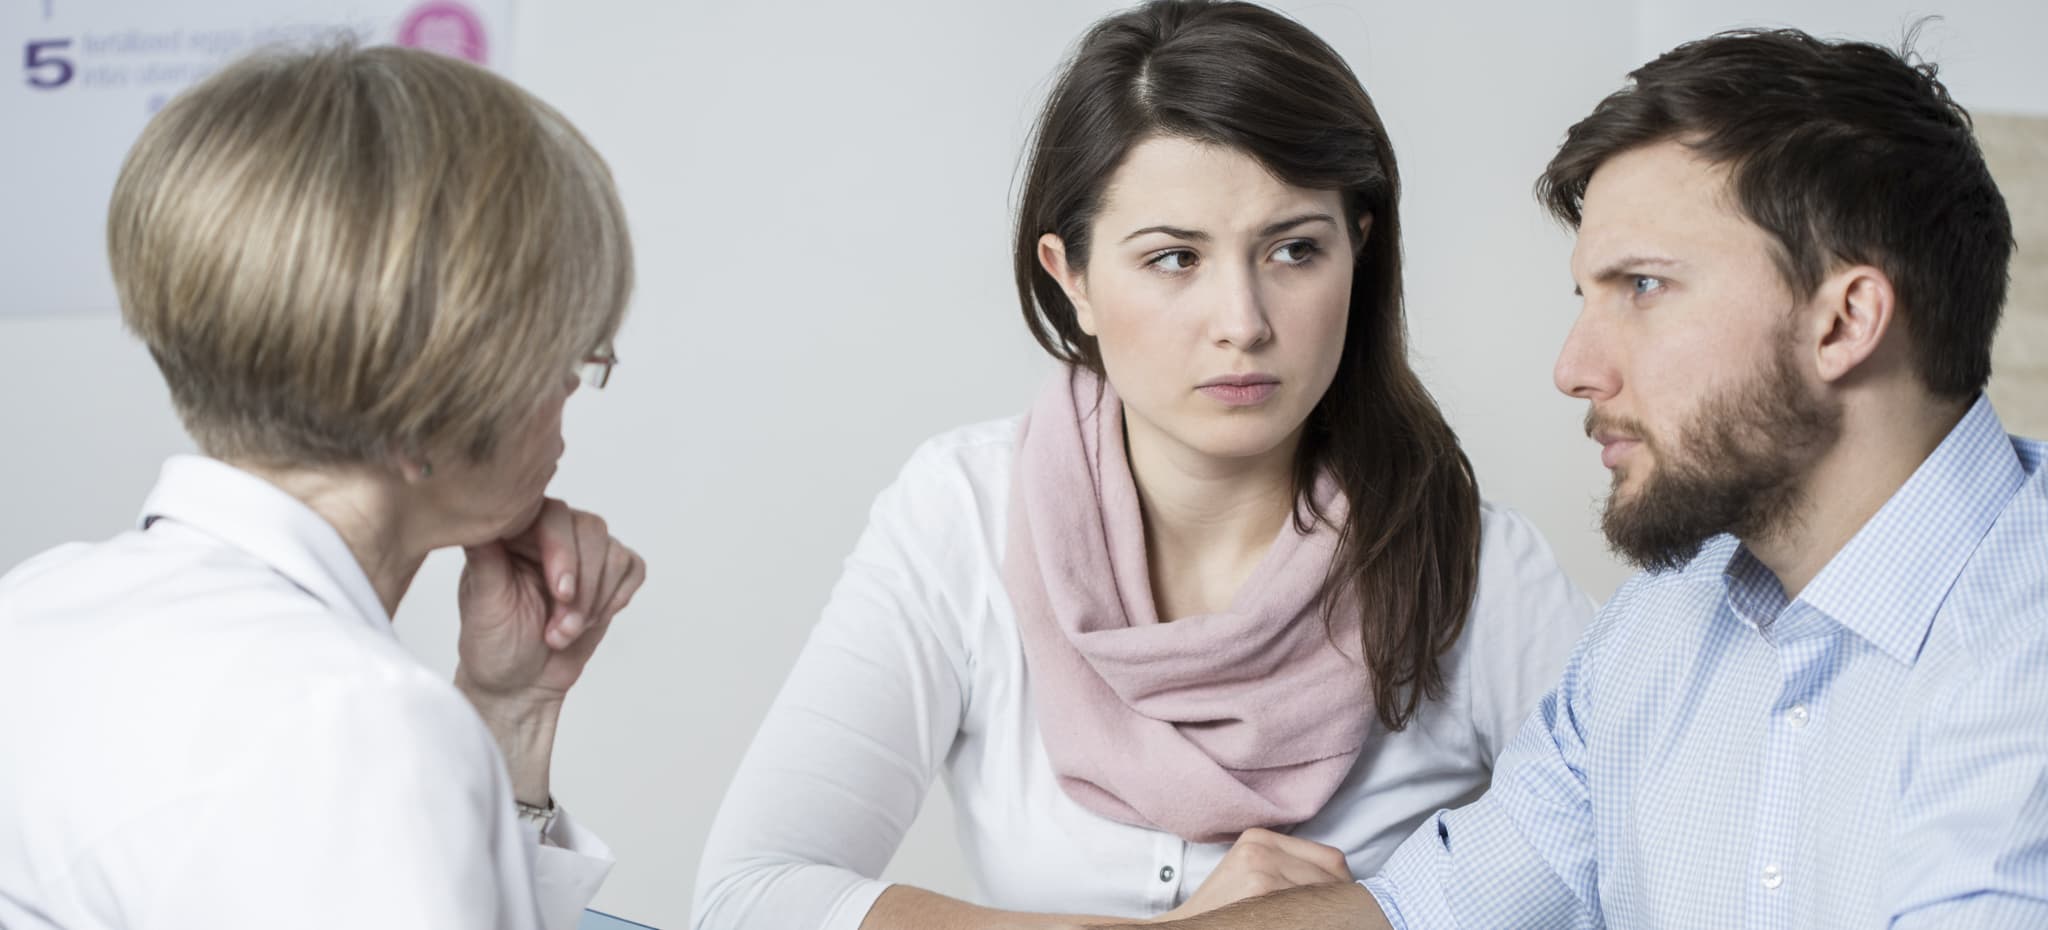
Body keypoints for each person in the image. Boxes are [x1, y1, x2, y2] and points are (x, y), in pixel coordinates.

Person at [1125, 26, 2048, 930]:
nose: (1574, 367)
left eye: (1642, 287)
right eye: (1589, 297)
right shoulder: (1665, 623)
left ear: (1844, 323)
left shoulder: (2020, 662)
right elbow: (1421, 912)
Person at [691, 3, 1592, 928]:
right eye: (1173, 258)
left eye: (1294, 249)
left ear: (1358, 247)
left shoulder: (1478, 571)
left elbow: (1644, 878)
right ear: (1071, 276)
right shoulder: (960, 512)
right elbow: (754, 895)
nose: (1242, 320)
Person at [0, 44, 645, 930]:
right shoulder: (353, 727)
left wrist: (509, 705)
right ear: (430, 402)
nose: (573, 388)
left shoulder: (38, 603)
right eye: (566, 353)